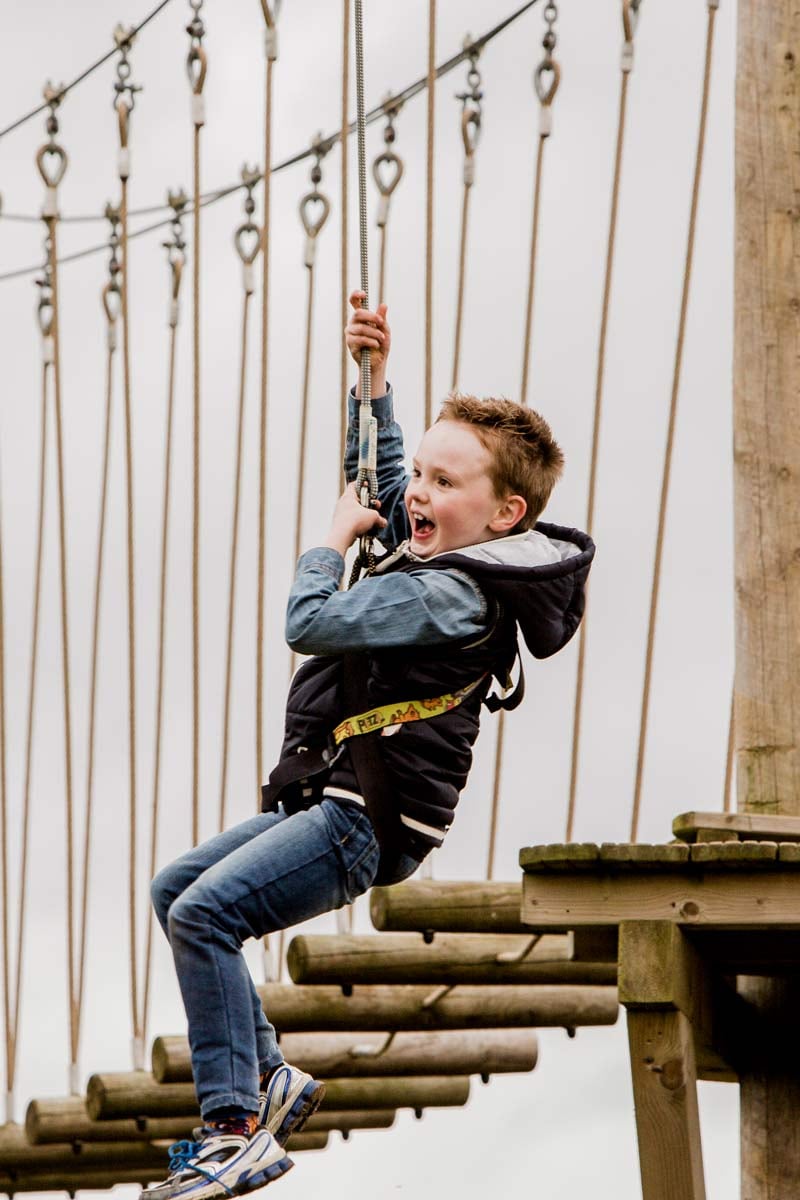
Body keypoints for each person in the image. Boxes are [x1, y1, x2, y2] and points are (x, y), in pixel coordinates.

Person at [142, 292, 594, 1200]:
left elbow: (312, 622)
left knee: (205, 917)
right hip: (338, 801)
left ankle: (234, 1128)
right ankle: (265, 1073)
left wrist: (327, 543)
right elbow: (389, 481)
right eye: (422, 473)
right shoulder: (443, 549)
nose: (415, 494)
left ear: (505, 512)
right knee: (175, 889)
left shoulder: (448, 595)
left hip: (366, 822)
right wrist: (376, 383)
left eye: (442, 483)